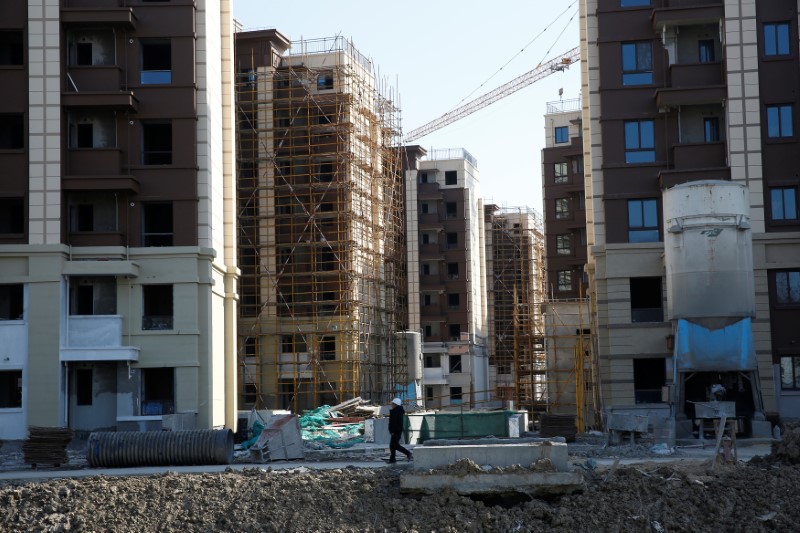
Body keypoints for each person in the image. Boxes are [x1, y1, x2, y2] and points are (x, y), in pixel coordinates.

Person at [388, 398, 412, 463]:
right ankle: (392, 459)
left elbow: (394, 423)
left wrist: (392, 431)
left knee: (395, 445)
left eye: (392, 404)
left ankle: (408, 453)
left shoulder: (396, 412)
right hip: (397, 431)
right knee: (392, 446)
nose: (391, 405)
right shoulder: (397, 411)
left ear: (395, 405)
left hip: (396, 431)